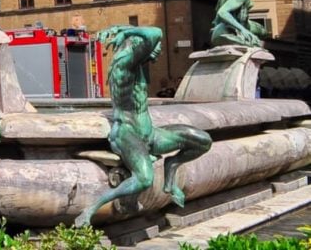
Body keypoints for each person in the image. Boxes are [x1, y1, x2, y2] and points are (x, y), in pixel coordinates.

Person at [74, 26, 211, 227]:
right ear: (137, 46)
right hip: (127, 133)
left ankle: (171, 167)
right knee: (145, 179)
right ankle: (91, 209)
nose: (158, 49)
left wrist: (123, 29)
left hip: (150, 134)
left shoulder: (136, 65)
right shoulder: (124, 66)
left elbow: (154, 36)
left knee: (203, 141)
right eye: (153, 47)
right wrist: (128, 32)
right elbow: (156, 32)